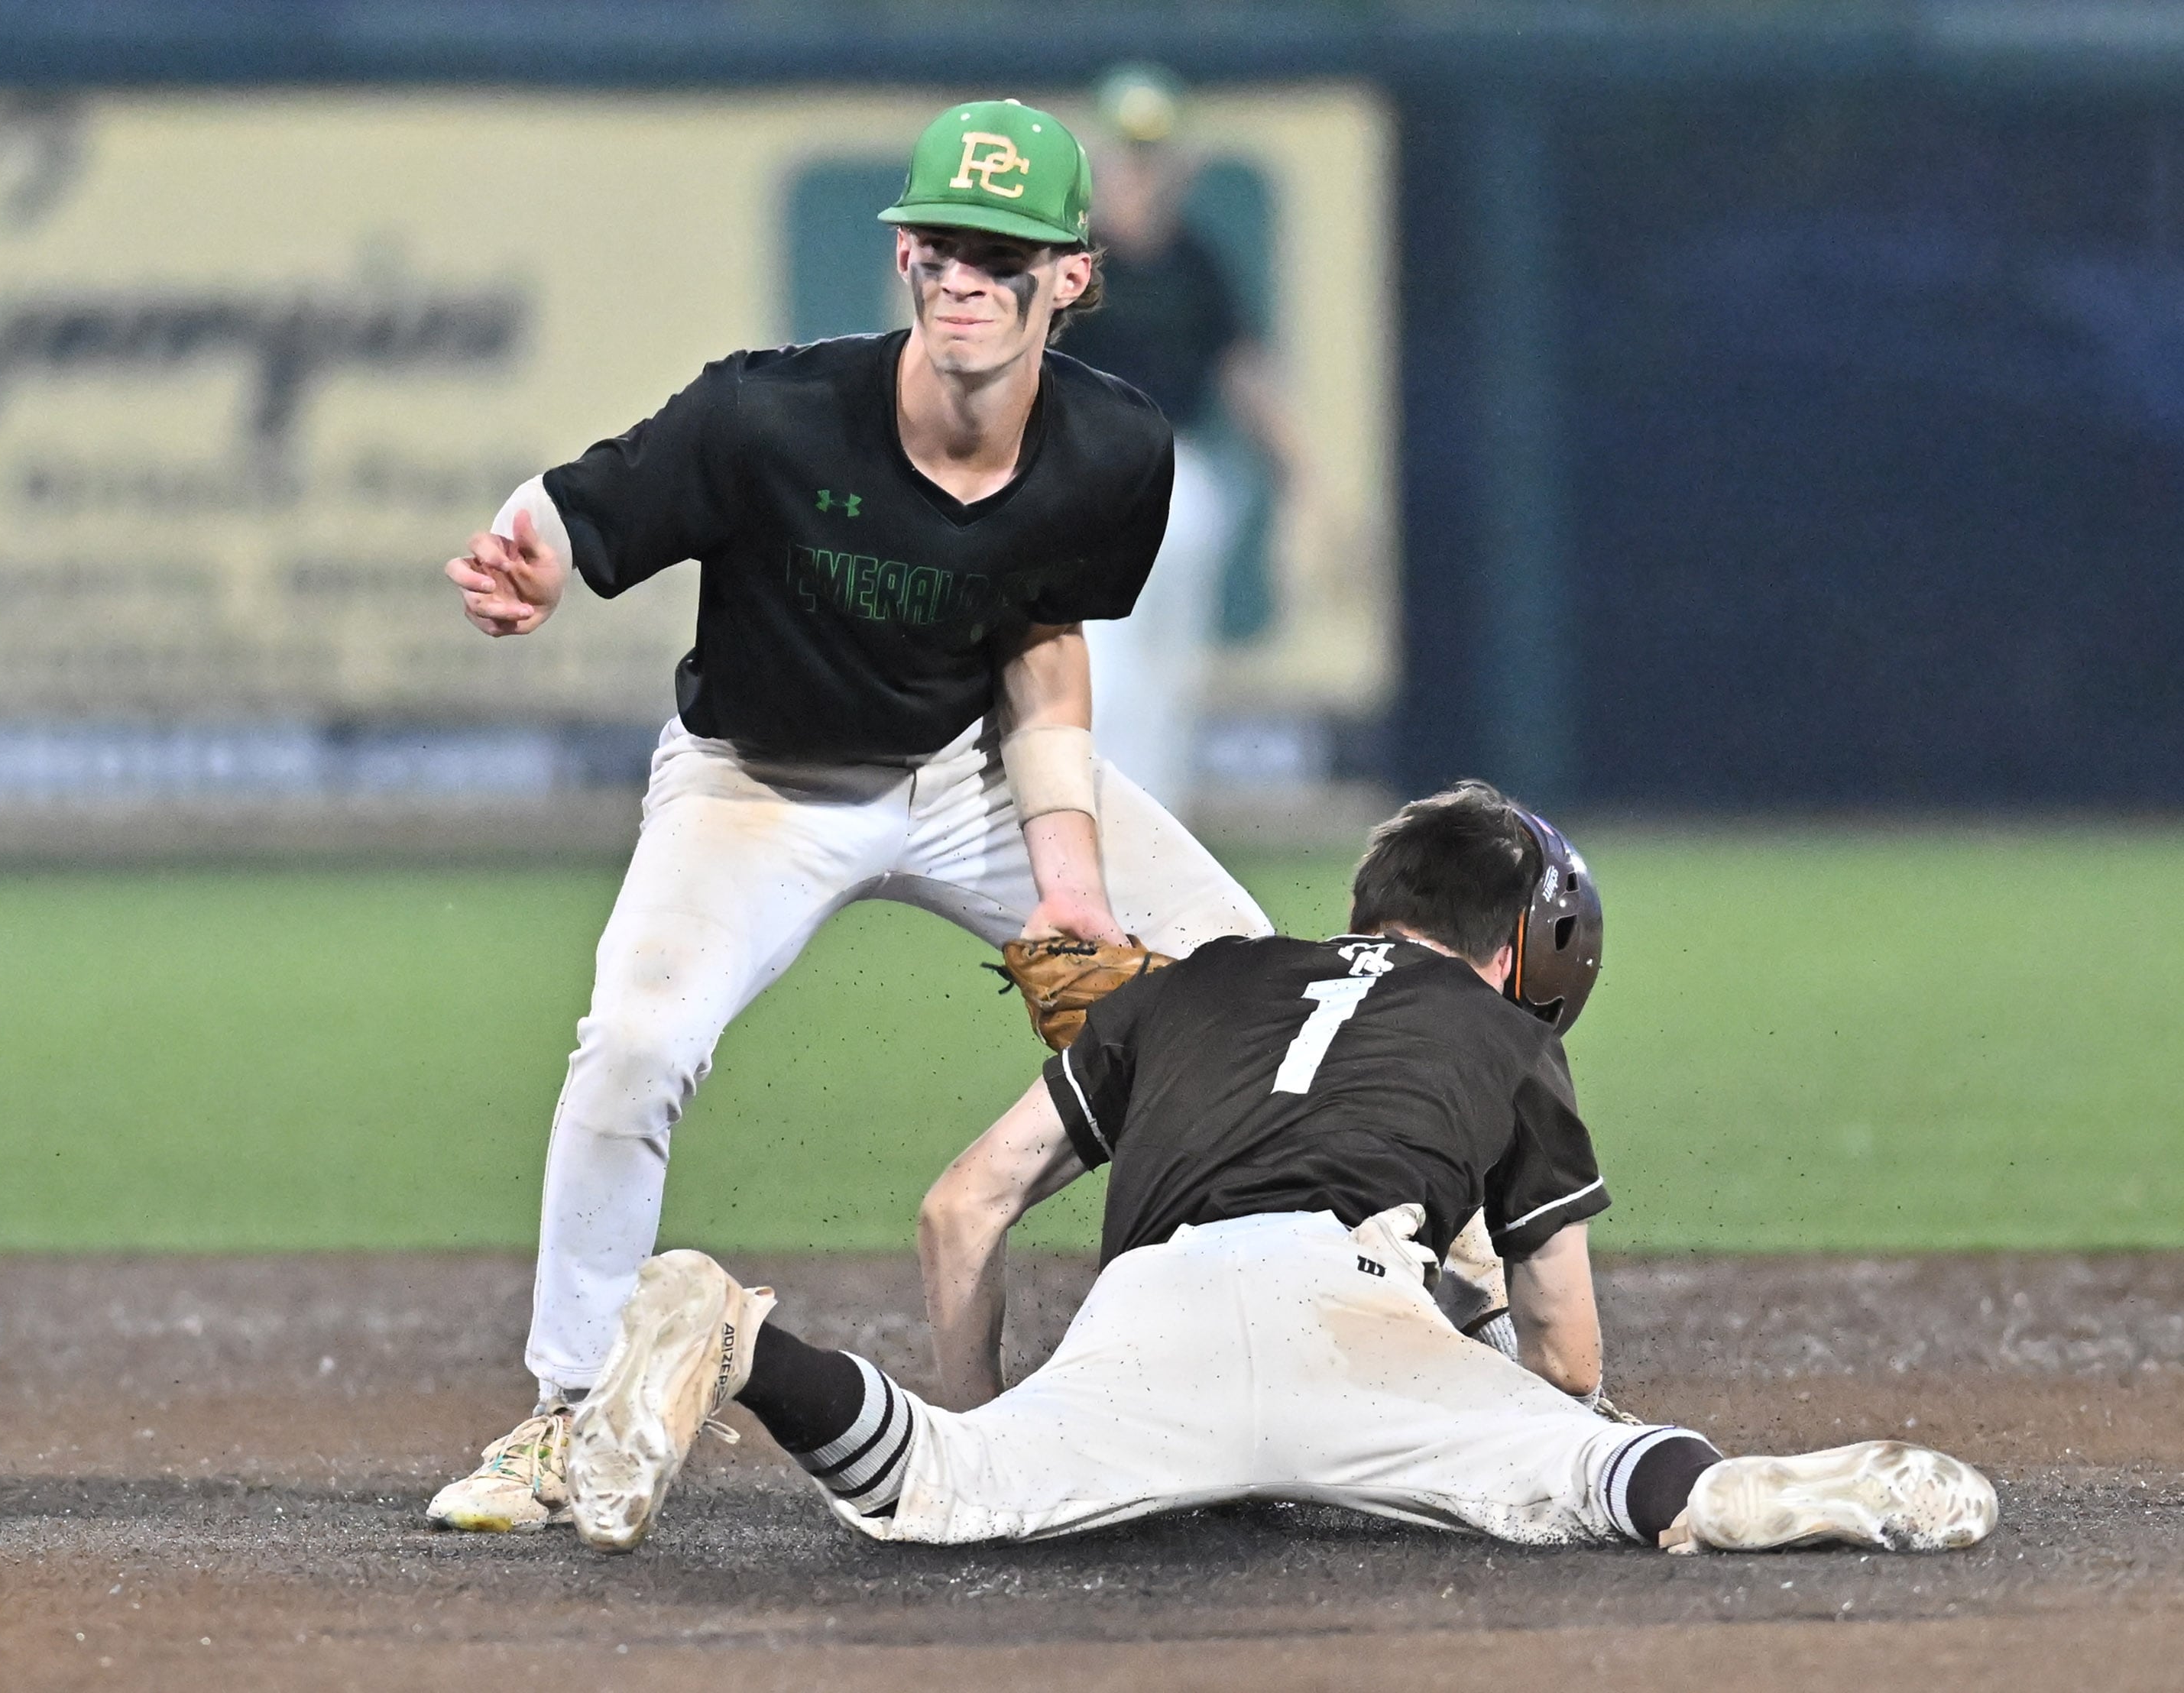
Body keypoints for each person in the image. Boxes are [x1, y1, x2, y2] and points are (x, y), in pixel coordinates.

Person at [426, 97, 1272, 1533]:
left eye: (1001, 252)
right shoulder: (772, 412)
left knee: (1250, 986)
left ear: (1070, 276)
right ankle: (569, 1415)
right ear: (902, 258)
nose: (962, 274)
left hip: (967, 772)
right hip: (755, 783)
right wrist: (531, 556)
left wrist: (1070, 880)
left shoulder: (1115, 451)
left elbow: (1042, 643)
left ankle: (1297, 1364)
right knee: (634, 1044)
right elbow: (575, 503)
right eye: (940, 241)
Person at [558, 782, 1999, 1559]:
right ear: (1525, 947)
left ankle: (737, 1338)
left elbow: (963, 1208)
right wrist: (1490, 1374)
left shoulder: (1197, 982)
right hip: (1355, 1306)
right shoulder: (1502, 1035)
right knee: (1587, 1472)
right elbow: (1565, 1354)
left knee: (941, 1487)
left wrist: (1010, 1405)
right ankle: (1729, 1494)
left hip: (1148, 1311)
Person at [1051, 67, 1304, 815]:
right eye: (1127, 153)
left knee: (1171, 671)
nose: (1140, 171)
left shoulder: (1196, 261)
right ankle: (1089, 819)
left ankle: (1154, 826)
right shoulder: (1067, 257)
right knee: (1100, 660)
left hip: (1179, 469)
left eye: (1153, 154)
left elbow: (1246, 375)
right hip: (1086, 472)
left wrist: (1308, 483)